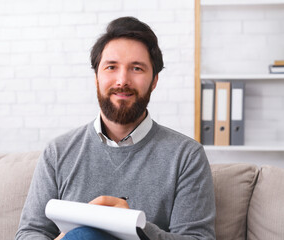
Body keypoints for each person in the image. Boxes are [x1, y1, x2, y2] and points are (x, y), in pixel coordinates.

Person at [15, 16, 216, 240]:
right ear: (96, 77)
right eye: (111, 67)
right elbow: (30, 232)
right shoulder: (58, 152)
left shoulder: (187, 156)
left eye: (137, 69)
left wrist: (134, 225)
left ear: (154, 80)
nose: (122, 80)